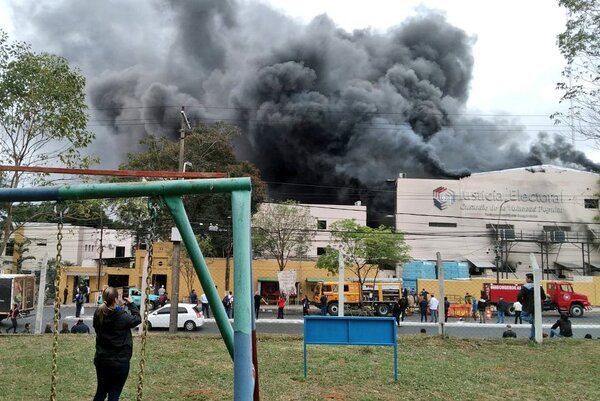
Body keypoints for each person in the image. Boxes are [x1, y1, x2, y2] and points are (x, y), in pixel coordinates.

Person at [93, 286, 141, 401]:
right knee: (114, 392)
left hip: (102, 359)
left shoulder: (98, 313)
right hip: (120, 361)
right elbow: (137, 319)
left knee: (101, 391)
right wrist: (131, 304)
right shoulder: (121, 316)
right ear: (115, 299)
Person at [517, 273, 546, 340]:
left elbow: (519, 296)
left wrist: (522, 302)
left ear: (530, 279)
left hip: (527, 306)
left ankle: (534, 322)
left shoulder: (525, 287)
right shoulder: (539, 286)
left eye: (526, 278)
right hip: (537, 307)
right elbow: (543, 297)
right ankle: (532, 336)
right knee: (535, 320)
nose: (526, 279)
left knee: (522, 316)